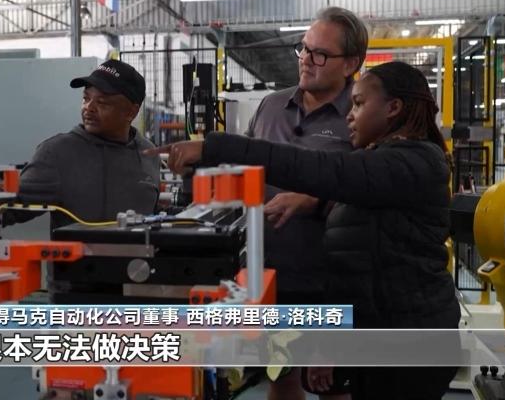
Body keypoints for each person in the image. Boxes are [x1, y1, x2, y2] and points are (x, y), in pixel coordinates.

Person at [147, 61, 460, 400]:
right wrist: (316, 204)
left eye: (358, 104)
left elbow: (318, 168)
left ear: (393, 108)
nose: (349, 116)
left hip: (409, 342)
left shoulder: (411, 161)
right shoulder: (387, 161)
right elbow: (365, 244)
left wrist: (215, 147)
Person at [244, 6, 367, 400]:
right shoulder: (270, 107)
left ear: (351, 63)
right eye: (304, 49)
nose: (306, 60)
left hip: (334, 282)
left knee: (332, 388)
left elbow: (372, 194)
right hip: (274, 277)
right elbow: (246, 172)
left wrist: (314, 200)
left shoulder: (362, 116)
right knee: (281, 380)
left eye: (320, 54)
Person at [0, 59, 160, 299]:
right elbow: (8, 207)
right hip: (76, 293)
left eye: (102, 102)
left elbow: (153, 215)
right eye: (86, 98)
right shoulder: (58, 153)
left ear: (131, 111)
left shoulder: (148, 154)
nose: (89, 108)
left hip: (139, 287)